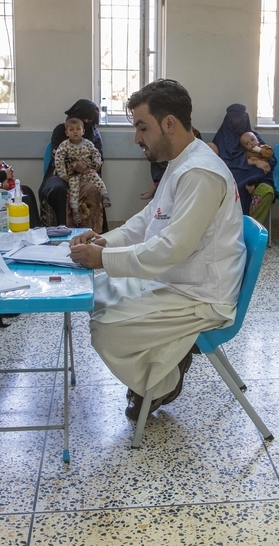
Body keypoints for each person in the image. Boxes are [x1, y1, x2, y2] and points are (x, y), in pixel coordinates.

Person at [68, 79, 246, 420]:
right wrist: (107, 241)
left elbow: (170, 249)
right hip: (177, 279)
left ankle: (164, 380)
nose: (137, 138)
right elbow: (150, 218)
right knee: (98, 293)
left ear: (169, 124)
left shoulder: (200, 173)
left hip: (201, 295)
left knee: (105, 329)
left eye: (141, 127)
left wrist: (104, 259)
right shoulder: (182, 161)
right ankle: (165, 357)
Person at [40, 99, 105, 230]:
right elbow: (58, 154)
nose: (87, 122)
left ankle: (92, 233)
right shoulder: (61, 130)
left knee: (93, 189)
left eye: (90, 119)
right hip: (60, 174)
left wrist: (88, 166)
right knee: (58, 189)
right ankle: (61, 230)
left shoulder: (95, 135)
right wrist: (75, 164)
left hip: (86, 176)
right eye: (84, 118)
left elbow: (99, 159)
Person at [210, 103, 275, 215]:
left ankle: (251, 227)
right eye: (234, 118)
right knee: (234, 185)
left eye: (239, 118)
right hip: (231, 175)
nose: (237, 122)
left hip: (253, 174)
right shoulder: (221, 138)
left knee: (265, 184)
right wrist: (248, 162)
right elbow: (218, 163)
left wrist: (260, 161)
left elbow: (271, 158)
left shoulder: (252, 136)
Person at [55, 117, 111, 225]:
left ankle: (105, 196)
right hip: (73, 174)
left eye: (78, 129)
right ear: (66, 133)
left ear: (83, 131)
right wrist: (62, 174)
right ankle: (75, 211)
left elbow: (96, 153)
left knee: (95, 177)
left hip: (87, 171)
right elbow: (58, 159)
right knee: (74, 188)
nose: (75, 132)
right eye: (71, 130)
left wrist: (97, 162)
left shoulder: (88, 144)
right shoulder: (64, 146)